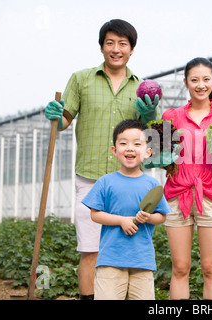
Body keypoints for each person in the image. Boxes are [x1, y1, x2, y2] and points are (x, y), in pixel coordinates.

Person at [43, 19, 160, 300]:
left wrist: (150, 116)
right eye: (110, 43)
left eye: (123, 43)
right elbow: (64, 121)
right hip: (91, 176)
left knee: (128, 245)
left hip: (129, 180)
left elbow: (155, 139)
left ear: (132, 49)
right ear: (101, 47)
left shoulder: (144, 88)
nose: (116, 49)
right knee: (91, 248)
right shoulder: (81, 79)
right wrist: (55, 116)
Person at [146, 57, 212, 299]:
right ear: (186, 82)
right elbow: (155, 154)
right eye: (195, 80)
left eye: (206, 79)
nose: (201, 85)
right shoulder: (172, 116)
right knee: (180, 268)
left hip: (211, 195)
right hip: (177, 195)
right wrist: (157, 154)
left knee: (210, 267)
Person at [81, 119, 171, 300]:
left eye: (137, 144)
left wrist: (149, 218)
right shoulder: (105, 182)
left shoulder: (152, 184)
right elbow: (95, 214)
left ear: (148, 152)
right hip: (110, 261)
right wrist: (121, 220)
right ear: (114, 150)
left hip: (142, 261)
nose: (130, 148)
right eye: (123, 143)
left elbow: (161, 216)